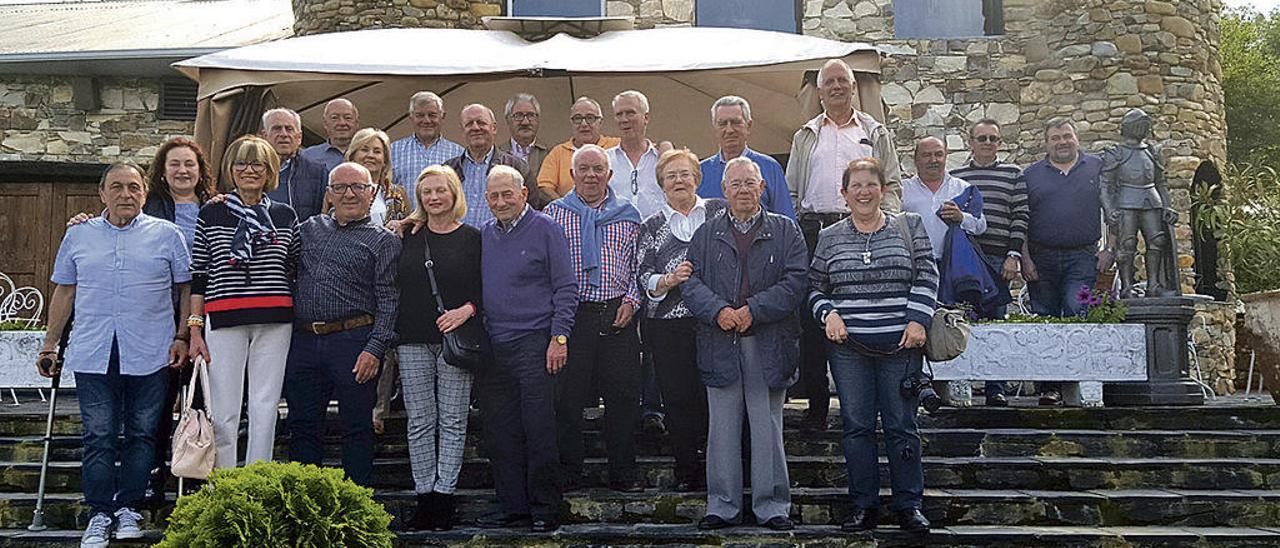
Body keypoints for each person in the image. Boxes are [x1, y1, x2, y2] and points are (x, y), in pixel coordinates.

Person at [41, 162, 191, 548]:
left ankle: (129, 508)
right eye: (118, 187)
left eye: (134, 188)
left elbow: (186, 288)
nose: (126, 195)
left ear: (144, 192)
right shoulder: (78, 236)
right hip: (94, 351)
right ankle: (98, 513)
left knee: (142, 435)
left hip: (151, 349)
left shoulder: (168, 235)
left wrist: (181, 335)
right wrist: (49, 344)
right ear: (102, 193)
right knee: (99, 436)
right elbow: (65, 292)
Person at [808, 157, 936, 534]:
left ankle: (909, 505)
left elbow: (928, 272)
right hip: (850, 350)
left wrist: (918, 319)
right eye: (856, 186)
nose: (864, 192)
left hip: (901, 346)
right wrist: (828, 314)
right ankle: (864, 506)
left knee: (901, 425)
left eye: (871, 184)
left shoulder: (908, 226)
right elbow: (815, 286)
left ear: (883, 189)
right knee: (857, 426)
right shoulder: (830, 236)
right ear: (844, 194)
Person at [682, 157, 807, 532]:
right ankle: (722, 505)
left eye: (749, 183)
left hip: (768, 341)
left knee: (767, 426)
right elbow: (691, 282)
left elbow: (796, 281)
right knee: (721, 427)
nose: (743, 190)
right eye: (735, 184)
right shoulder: (705, 234)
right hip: (720, 339)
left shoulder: (787, 231)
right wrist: (719, 310)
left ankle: (772, 507)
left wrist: (754, 309)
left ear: (762, 188)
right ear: (723, 191)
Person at [787, 59, 904, 431]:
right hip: (813, 230)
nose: (836, 87)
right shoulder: (805, 135)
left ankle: (872, 406)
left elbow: (894, 186)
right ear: (819, 91)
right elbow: (792, 191)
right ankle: (818, 407)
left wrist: (883, 227)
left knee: (864, 310)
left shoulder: (875, 131)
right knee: (813, 318)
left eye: (843, 81)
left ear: (853, 88)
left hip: (862, 230)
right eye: (829, 82)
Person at [188, 135, 300, 470]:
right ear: (230, 169)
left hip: (275, 317)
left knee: (266, 405)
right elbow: (199, 273)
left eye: (258, 164)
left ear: (270, 171)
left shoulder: (285, 215)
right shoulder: (212, 212)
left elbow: (293, 266)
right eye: (241, 163)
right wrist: (194, 329)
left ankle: (256, 480)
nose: (249, 170)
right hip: (223, 317)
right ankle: (224, 483)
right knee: (224, 409)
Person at [285, 162, 401, 486]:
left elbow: (389, 299)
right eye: (340, 187)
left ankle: (356, 503)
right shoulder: (308, 228)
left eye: (358, 187)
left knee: (357, 427)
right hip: (305, 341)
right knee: (303, 424)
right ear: (329, 194)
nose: (349, 193)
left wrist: (375, 350)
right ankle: (306, 501)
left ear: (372, 192)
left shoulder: (384, 241)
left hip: (353, 341)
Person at [475, 165, 577, 533]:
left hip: (536, 342)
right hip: (494, 347)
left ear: (523, 194)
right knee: (501, 431)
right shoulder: (485, 234)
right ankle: (513, 506)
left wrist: (559, 337)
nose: (501, 201)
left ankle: (546, 507)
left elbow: (566, 287)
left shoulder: (547, 228)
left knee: (539, 429)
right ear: (486, 200)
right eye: (494, 196)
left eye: (508, 194)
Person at [543, 144, 644, 493]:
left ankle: (623, 473)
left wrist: (631, 301)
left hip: (618, 315)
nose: (590, 175)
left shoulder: (629, 215)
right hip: (574, 317)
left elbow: (638, 266)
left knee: (623, 398)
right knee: (568, 400)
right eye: (583, 169)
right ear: (571, 175)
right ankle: (570, 473)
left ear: (609, 174)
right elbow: (546, 271)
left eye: (597, 169)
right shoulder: (554, 215)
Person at [395, 165, 482, 531]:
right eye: (426, 192)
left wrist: (467, 310)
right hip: (413, 338)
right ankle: (424, 495)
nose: (433, 197)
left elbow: (486, 288)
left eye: (439, 190)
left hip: (455, 341)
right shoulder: (408, 235)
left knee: (452, 419)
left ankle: (444, 496)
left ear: (454, 193)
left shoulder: (473, 238)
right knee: (419, 421)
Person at [636, 148, 723, 492]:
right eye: (670, 176)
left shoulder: (719, 212)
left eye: (684, 174)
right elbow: (643, 276)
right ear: (661, 184)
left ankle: (721, 467)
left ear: (696, 178)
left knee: (714, 393)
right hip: (667, 325)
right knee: (677, 396)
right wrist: (669, 280)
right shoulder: (651, 225)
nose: (678, 181)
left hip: (714, 320)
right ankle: (687, 467)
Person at [1022, 118, 1111, 406]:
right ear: (1046, 143)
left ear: (1076, 138)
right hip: (1041, 258)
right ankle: (1050, 387)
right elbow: (1021, 220)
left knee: (1075, 312)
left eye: (1066, 136)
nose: (1062, 142)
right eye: (1055, 137)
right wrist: (1024, 257)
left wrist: (1110, 249)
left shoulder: (1098, 168)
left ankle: (1076, 382)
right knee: (1045, 320)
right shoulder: (1031, 175)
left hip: (1082, 256)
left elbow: (1116, 210)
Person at [951, 119, 1028, 406]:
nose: (986, 143)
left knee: (997, 322)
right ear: (970, 142)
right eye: (981, 138)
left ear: (1000, 143)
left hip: (998, 259)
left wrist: (1013, 255)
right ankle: (963, 383)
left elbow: (1020, 215)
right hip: (966, 260)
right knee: (962, 321)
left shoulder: (1013, 174)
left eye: (992, 138)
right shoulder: (956, 176)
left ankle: (996, 387)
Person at [698, 95, 796, 219]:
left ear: (749, 126)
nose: (729, 130)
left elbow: (787, 223)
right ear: (715, 128)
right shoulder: (700, 172)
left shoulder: (770, 168)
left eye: (736, 122)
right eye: (722, 123)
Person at [443, 103, 541, 224]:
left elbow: (532, 212)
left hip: (501, 241)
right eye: (469, 124)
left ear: (493, 128)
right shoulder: (449, 170)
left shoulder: (517, 167)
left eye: (481, 123)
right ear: (463, 131)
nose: (475, 128)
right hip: (459, 242)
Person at [901, 137, 987, 260]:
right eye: (926, 155)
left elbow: (981, 226)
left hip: (954, 265)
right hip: (914, 263)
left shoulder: (962, 188)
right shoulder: (903, 190)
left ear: (946, 157)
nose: (933, 160)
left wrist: (962, 218)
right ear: (916, 160)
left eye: (939, 154)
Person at [537, 96, 621, 200]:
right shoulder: (557, 153)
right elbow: (544, 187)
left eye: (590, 118)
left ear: (600, 122)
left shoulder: (617, 146)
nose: (584, 124)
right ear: (571, 123)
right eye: (578, 119)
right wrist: (566, 208)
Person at [391, 91, 465, 209]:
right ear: (411, 117)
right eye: (420, 115)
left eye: (432, 115)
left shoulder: (458, 153)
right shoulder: (393, 151)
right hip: (405, 224)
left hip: (444, 224)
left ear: (442, 116)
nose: (426, 121)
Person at [606, 90, 665, 219]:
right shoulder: (604, 162)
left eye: (630, 113)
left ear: (646, 117)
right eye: (619, 114)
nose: (624, 119)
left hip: (658, 235)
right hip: (617, 235)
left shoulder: (662, 159)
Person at [262, 108, 327, 220]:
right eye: (277, 129)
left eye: (289, 129)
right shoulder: (250, 171)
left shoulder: (318, 172)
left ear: (299, 137)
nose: (284, 134)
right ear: (264, 136)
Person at [499, 93, 549, 190]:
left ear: (538, 119)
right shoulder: (497, 155)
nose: (525, 122)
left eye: (530, 115)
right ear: (508, 120)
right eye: (518, 115)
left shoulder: (550, 154)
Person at [302, 98, 359, 172]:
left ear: (356, 123)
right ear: (325, 123)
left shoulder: (368, 155)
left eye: (348, 118)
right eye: (335, 118)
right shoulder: (308, 157)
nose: (342, 123)